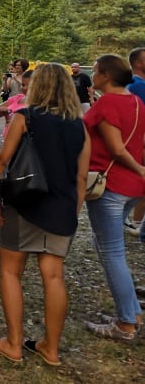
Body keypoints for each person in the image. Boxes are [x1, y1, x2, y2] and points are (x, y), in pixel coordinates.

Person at [0, 63, 90, 366]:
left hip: (24, 204)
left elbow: (3, 161)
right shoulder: (80, 126)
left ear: (38, 86)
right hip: (62, 209)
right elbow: (82, 177)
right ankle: (51, 349)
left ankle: (14, 344)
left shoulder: (25, 117)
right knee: (54, 276)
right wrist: (74, 211)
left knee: (10, 272)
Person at [82, 54, 145, 340]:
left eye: (95, 71)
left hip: (110, 186)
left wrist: (139, 169)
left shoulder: (108, 103)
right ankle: (132, 312)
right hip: (131, 188)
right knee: (109, 248)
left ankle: (125, 324)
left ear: (106, 75)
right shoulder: (136, 102)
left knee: (112, 253)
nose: (93, 75)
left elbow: (117, 148)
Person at [125, 48, 145, 234]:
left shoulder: (131, 83)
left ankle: (136, 222)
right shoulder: (139, 85)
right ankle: (137, 223)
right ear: (137, 63)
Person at [0, 70, 32, 140]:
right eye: (23, 85)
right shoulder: (16, 98)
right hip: (8, 139)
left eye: (30, 86)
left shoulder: (40, 103)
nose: (24, 88)